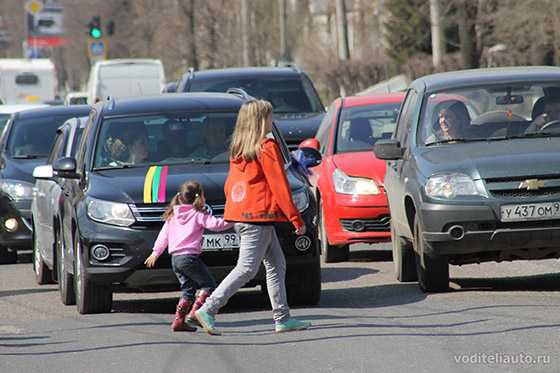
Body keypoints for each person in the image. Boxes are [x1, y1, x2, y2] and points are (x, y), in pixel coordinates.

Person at [195, 99, 311, 335]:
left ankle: (282, 318)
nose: (272, 120)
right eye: (269, 116)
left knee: (276, 265)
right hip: (258, 217)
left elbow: (230, 185)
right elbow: (280, 185)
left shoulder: (239, 148)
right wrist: (296, 219)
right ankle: (209, 308)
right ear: (261, 121)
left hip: (244, 215)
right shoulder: (266, 146)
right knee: (247, 268)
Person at [144, 181, 233, 332]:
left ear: (180, 197)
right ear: (200, 197)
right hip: (189, 258)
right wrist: (232, 218)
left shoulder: (173, 215)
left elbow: (163, 236)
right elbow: (217, 225)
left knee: (188, 289)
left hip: (176, 259)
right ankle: (195, 314)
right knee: (209, 285)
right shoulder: (198, 214)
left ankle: (179, 321)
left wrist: (155, 252)